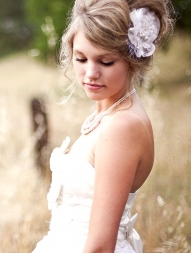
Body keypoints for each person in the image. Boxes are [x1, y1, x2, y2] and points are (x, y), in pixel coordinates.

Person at [32, 0, 174, 252]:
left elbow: (100, 245)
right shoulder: (109, 113)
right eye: (81, 58)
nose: (90, 73)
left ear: (133, 59)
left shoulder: (122, 126)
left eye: (105, 61)